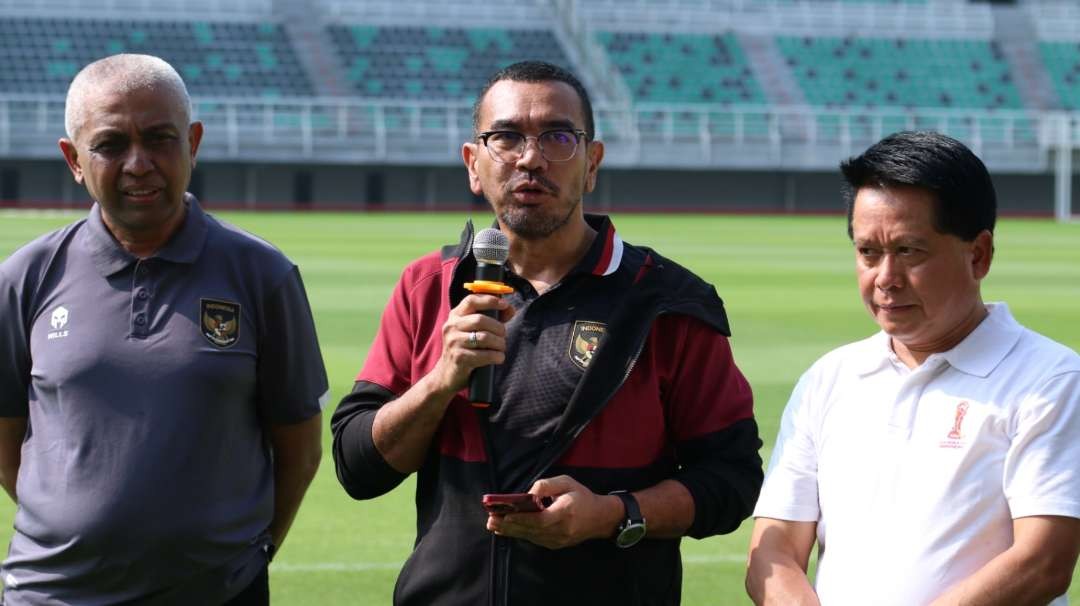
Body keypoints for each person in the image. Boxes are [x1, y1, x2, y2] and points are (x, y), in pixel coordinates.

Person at [331, 60, 762, 605]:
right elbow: (357, 467)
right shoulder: (428, 286)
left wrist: (614, 514)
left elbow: (733, 480)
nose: (531, 158)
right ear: (473, 163)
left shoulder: (667, 303)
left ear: (591, 163)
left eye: (558, 136)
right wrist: (440, 382)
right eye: (506, 137)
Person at [0, 54, 328, 604]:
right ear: (73, 159)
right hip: (49, 593)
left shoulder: (262, 275)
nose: (138, 163)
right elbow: (6, 441)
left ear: (193, 142)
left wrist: (246, 553)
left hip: (218, 593)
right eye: (109, 145)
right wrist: (73, 525)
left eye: (159, 138)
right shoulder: (25, 277)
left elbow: (300, 449)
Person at [746, 131, 1080, 605]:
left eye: (908, 251)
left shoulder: (1050, 380)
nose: (885, 278)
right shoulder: (831, 377)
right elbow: (774, 543)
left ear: (978, 255)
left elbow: (1044, 559)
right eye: (868, 252)